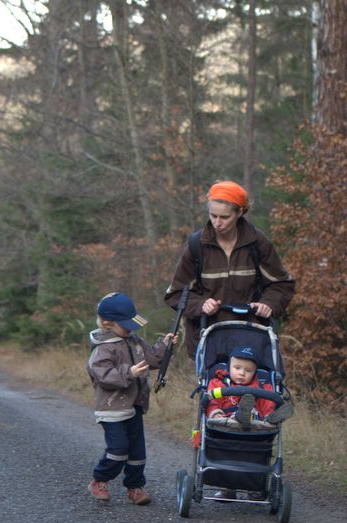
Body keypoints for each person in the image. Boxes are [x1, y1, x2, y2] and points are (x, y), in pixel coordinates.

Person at [165, 180, 295, 358]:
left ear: (240, 212)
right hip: (208, 342)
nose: (217, 223)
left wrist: (268, 304)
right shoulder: (196, 246)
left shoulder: (257, 242)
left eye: (224, 217)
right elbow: (176, 294)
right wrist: (200, 304)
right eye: (213, 216)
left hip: (251, 339)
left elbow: (281, 284)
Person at [87, 292, 178, 506]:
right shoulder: (103, 347)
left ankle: (135, 487)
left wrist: (165, 345)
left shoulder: (134, 339)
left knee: (137, 451)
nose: (132, 328)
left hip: (135, 404)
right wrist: (129, 372)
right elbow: (101, 374)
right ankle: (100, 480)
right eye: (126, 325)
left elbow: (154, 359)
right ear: (108, 323)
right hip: (111, 409)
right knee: (118, 449)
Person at [206, 346, 294, 430]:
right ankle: (241, 416)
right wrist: (215, 413)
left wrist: (267, 413)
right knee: (213, 396)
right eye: (237, 368)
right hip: (226, 418)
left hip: (256, 421)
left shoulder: (261, 387)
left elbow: (267, 404)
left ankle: (271, 418)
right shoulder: (218, 383)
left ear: (254, 373)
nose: (242, 373)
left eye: (248, 370)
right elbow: (213, 401)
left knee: (267, 397)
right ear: (229, 368)